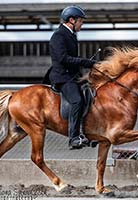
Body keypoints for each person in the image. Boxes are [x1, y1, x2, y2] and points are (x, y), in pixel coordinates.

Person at [44, 6, 96, 150]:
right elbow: (63, 58)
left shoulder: (71, 35)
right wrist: (85, 62)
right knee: (77, 100)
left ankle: (90, 133)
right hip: (62, 77)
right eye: (81, 21)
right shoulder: (59, 35)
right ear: (71, 20)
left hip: (72, 75)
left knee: (92, 94)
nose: (82, 24)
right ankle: (73, 138)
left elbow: (73, 59)